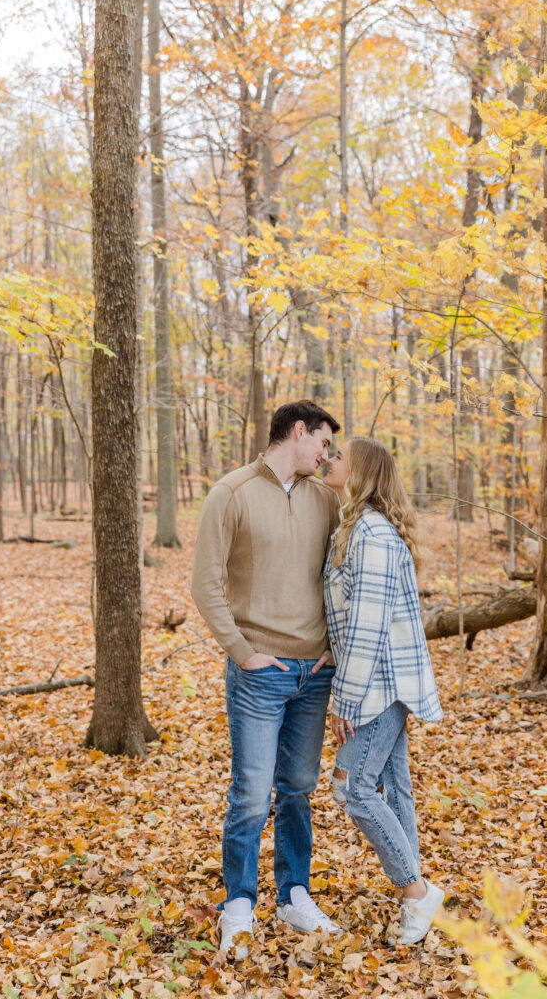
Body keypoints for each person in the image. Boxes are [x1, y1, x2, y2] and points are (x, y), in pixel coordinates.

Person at [191, 400, 342, 958]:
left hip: (315, 675)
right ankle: (239, 904)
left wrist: (331, 647)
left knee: (298, 791)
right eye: (322, 443)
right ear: (297, 431)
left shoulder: (325, 499)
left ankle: (294, 894)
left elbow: (341, 576)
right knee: (252, 794)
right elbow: (205, 585)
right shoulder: (230, 493)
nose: (327, 457)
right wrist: (242, 651)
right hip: (259, 673)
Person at [322, 437, 445, 945]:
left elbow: (369, 628)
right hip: (383, 681)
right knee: (394, 788)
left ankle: (415, 892)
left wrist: (343, 701)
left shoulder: (371, 533)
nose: (329, 460)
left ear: (362, 473)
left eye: (340, 457)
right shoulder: (361, 528)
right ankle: (413, 895)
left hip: (377, 686)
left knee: (352, 789)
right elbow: (357, 616)